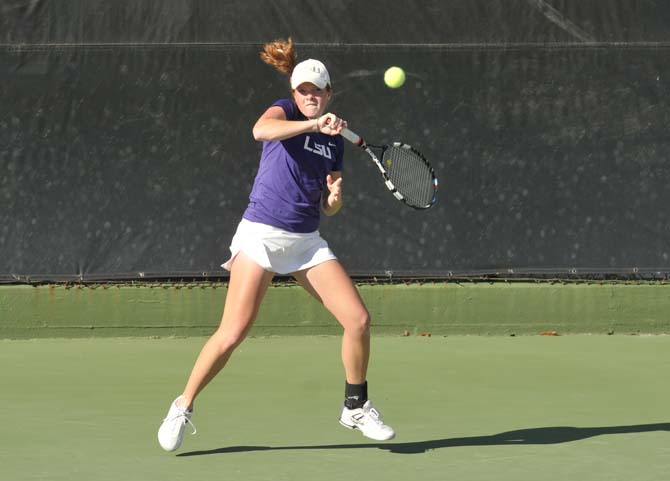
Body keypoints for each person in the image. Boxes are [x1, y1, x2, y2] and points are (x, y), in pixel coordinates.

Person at [157, 38, 395, 452]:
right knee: (232, 333)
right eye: (303, 91)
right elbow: (260, 130)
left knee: (357, 319)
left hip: (305, 242)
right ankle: (183, 405)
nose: (309, 97)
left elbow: (330, 199)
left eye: (316, 92)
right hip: (261, 235)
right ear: (294, 94)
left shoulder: (334, 141)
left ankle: (354, 406)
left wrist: (334, 198)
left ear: (328, 95)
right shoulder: (283, 112)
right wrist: (310, 125)